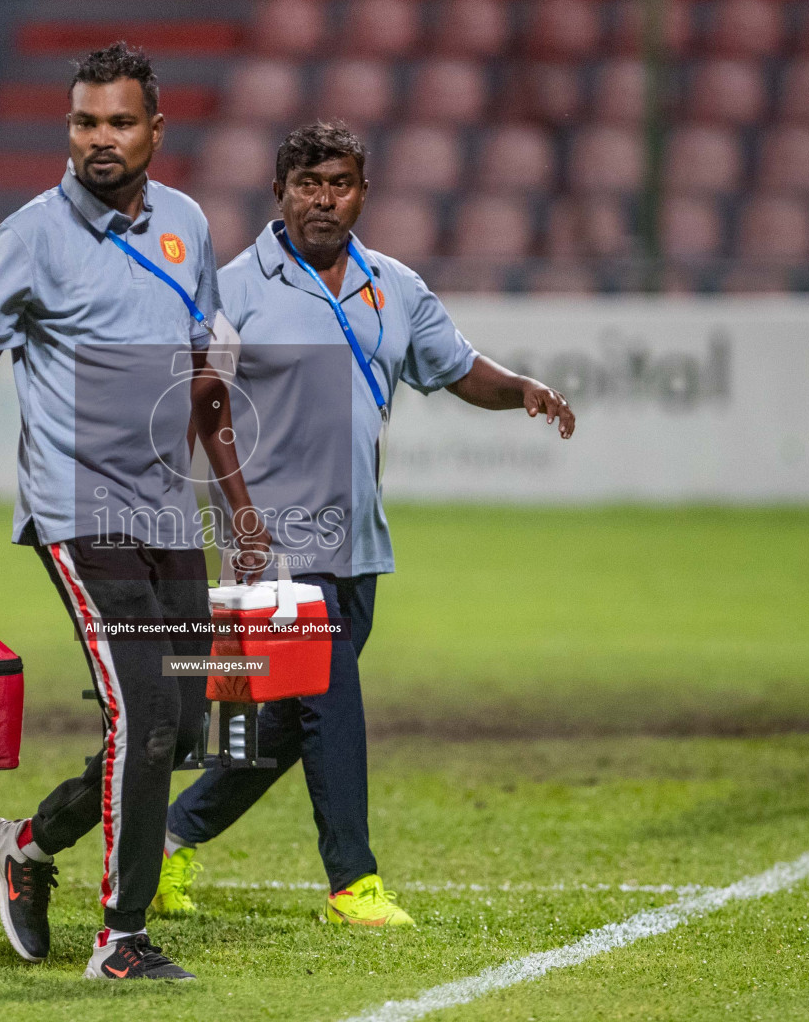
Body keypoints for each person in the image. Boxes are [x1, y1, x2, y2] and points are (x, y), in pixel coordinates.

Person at [154, 122, 575, 926]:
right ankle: (353, 881)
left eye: (339, 182)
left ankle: (173, 836)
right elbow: (204, 403)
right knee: (332, 701)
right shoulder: (236, 287)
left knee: (287, 714)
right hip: (276, 540)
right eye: (307, 182)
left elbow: (455, 367)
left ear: (362, 193)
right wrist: (242, 518)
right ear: (279, 190)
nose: (323, 198)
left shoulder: (395, 286)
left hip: (359, 538)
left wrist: (519, 386)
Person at [0, 43, 265, 980]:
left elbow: (204, 378)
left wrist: (237, 508)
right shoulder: (28, 235)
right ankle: (121, 940)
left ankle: (27, 846)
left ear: (157, 130)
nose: (100, 138)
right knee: (148, 709)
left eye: (120, 122)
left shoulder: (189, 225)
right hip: (77, 511)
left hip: (167, 514)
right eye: (85, 121)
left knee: (186, 724)